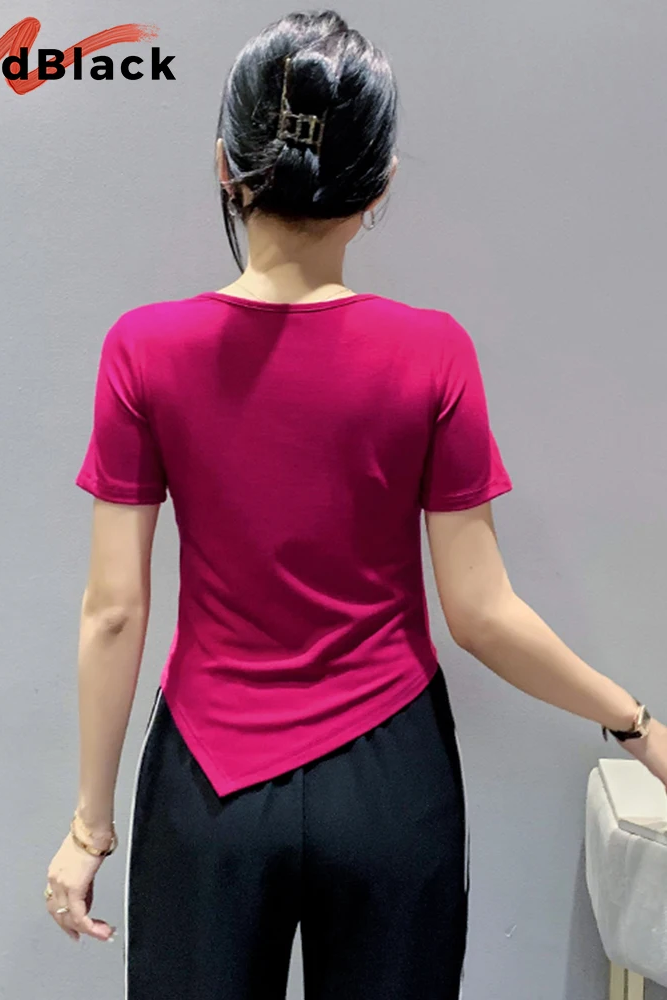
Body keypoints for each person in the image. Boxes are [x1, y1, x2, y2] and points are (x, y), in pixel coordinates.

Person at [43, 9, 667, 999]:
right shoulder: (433, 353)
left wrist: (89, 827)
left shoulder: (143, 350)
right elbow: (482, 615)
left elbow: (114, 610)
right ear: (380, 183)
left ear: (225, 166)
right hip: (391, 779)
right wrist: (638, 723)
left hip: (210, 776)